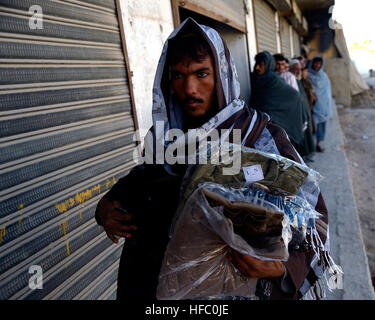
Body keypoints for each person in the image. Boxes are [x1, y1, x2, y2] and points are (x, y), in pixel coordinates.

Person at [95, 18, 330, 300]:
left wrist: (281, 267)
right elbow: (142, 181)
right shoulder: (165, 139)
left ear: (222, 75)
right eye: (179, 76)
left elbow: (317, 225)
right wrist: (106, 207)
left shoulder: (259, 139)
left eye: (202, 74)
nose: (190, 88)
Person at [251, 51, 306, 153]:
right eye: (256, 64)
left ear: (268, 65)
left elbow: (294, 95)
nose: (257, 68)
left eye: (261, 65)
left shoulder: (273, 80)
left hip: (273, 124)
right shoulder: (257, 79)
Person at [289, 60, 316, 161]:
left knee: (307, 134)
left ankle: (306, 156)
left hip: (305, 110)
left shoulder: (299, 81)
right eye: (295, 69)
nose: (298, 71)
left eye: (299, 69)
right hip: (297, 113)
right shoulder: (291, 79)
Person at [308, 56, 334, 153]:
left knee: (321, 127)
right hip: (312, 105)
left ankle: (317, 144)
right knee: (311, 126)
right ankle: (310, 145)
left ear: (321, 64)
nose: (317, 65)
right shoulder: (307, 75)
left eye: (319, 63)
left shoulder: (324, 76)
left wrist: (326, 103)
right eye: (315, 62)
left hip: (323, 106)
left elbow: (327, 92)